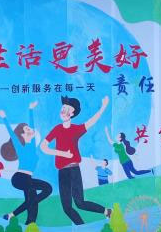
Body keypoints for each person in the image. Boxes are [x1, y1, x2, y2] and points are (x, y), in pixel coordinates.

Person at [41, 96, 112, 225]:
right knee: (66, 208)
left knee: (80, 203)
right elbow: (43, 146)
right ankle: (83, 227)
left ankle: (106, 211)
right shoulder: (57, 129)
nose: (63, 111)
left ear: (72, 113)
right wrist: (62, 153)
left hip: (74, 170)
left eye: (67, 109)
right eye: (62, 108)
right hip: (62, 172)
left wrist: (103, 106)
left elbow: (91, 122)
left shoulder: (76, 129)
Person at [0, 102, 52, 225]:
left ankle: (26, 222)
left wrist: (31, 109)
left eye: (29, 128)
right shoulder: (20, 147)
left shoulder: (31, 145)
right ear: (22, 134)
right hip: (20, 178)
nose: (30, 129)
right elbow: (12, 134)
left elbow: (32, 125)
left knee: (33, 204)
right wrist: (4, 117)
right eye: (27, 129)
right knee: (47, 189)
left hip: (27, 179)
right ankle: (14, 215)